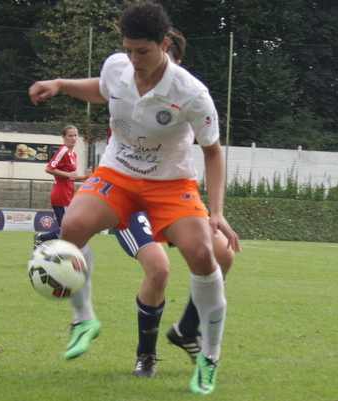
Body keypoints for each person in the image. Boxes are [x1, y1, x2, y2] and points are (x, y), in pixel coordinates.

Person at [29, 2, 240, 395]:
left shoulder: (191, 93)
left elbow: (213, 151)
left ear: (163, 45)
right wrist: (60, 84)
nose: (133, 59)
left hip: (171, 184)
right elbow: (101, 88)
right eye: (128, 50)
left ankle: (209, 356)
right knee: (71, 226)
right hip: (118, 175)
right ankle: (84, 319)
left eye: (142, 51)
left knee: (204, 255)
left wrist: (218, 211)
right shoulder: (118, 67)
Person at [110, 27, 237, 378]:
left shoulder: (183, 93)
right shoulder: (126, 85)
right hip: (130, 193)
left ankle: (186, 329)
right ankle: (146, 355)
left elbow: (212, 150)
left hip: (171, 195)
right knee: (159, 269)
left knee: (223, 252)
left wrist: (216, 211)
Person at [33, 125, 92, 249]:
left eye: (75, 135)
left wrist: (85, 177)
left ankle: (41, 239)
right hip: (61, 195)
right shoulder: (63, 151)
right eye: (70, 135)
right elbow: (49, 168)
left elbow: (71, 177)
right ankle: (59, 253)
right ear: (64, 137)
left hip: (69, 194)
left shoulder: (73, 154)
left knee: (68, 229)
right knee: (69, 230)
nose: (74, 138)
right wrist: (68, 174)